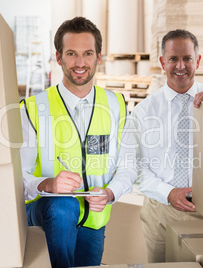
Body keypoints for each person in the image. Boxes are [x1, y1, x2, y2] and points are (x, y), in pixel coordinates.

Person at [19, 17, 135, 268]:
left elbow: (128, 167)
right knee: (63, 205)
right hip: (46, 213)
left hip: (94, 220)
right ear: (59, 58)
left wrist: (109, 192)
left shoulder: (116, 105)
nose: (80, 63)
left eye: (87, 53)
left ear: (99, 57)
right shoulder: (33, 108)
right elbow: (18, 177)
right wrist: (48, 184)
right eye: (71, 53)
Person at [128, 29, 203, 262]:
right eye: (173, 59)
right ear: (162, 62)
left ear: (197, 61)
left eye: (187, 58)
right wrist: (167, 192)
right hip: (160, 209)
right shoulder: (144, 111)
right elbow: (134, 166)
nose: (180, 66)